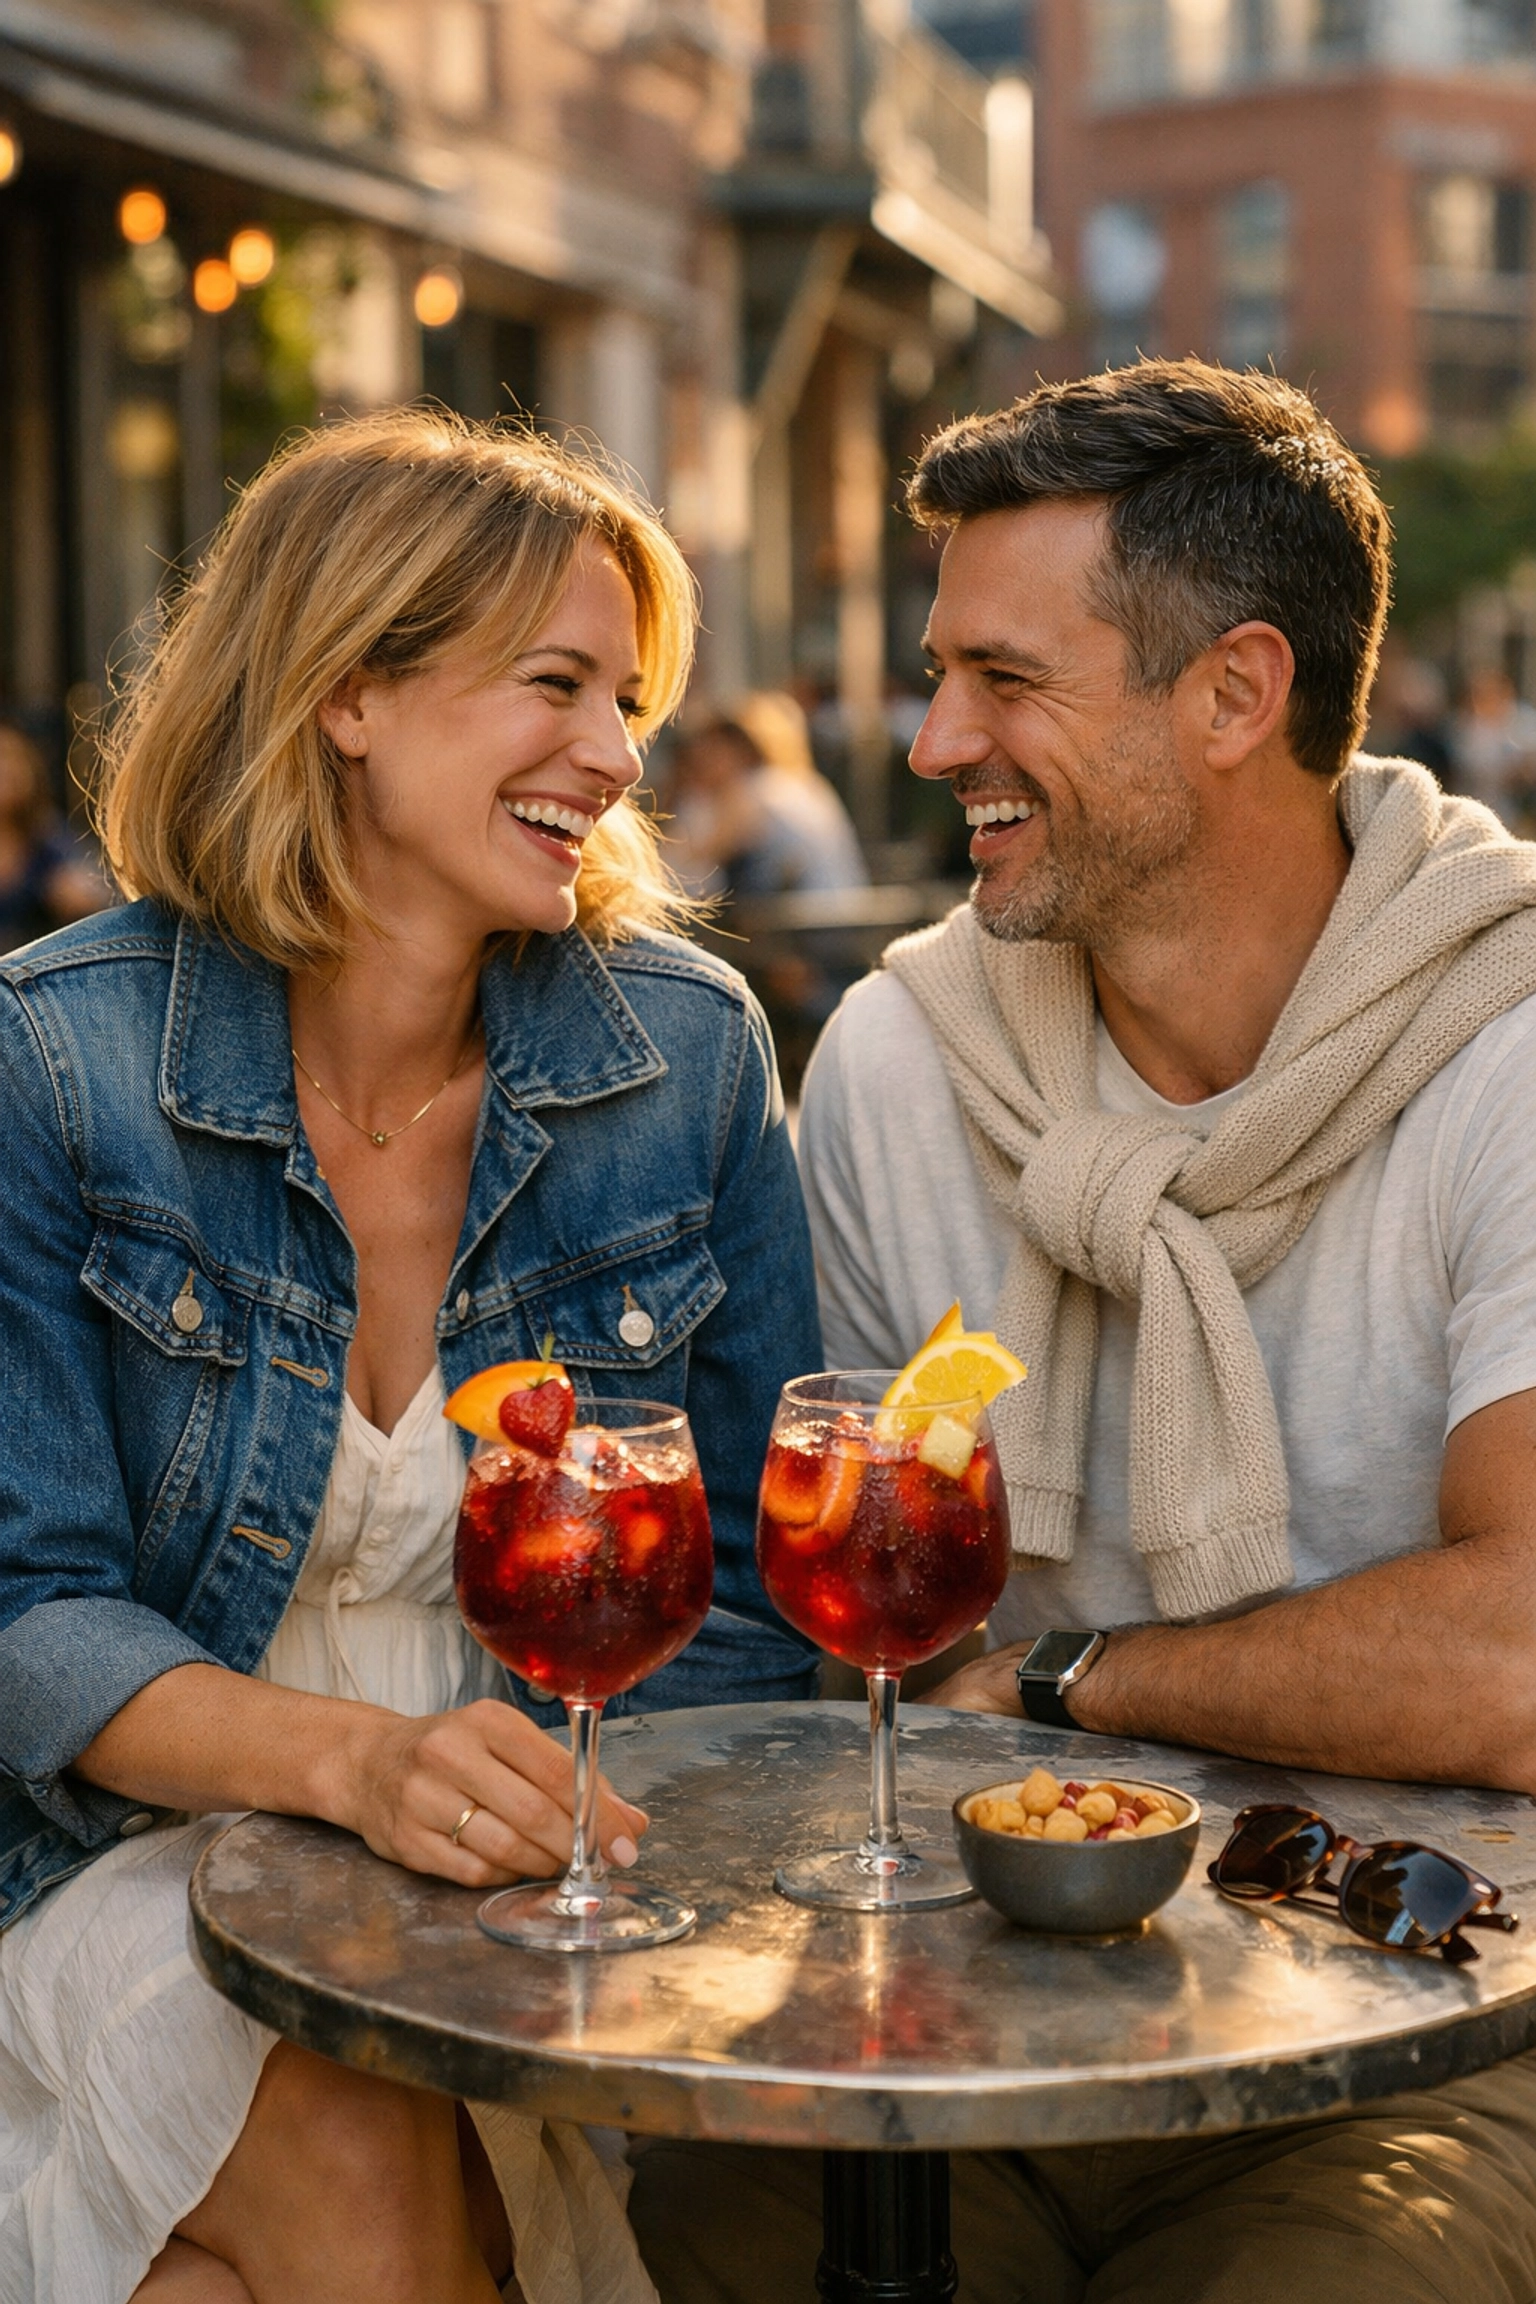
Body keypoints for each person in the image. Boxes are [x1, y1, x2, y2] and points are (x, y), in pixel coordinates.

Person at [630, 361, 1536, 2301]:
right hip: (968, 1997)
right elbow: (859, 1614)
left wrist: (1075, 1679)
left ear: (1234, 694)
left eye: (1006, 679)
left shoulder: (1510, 1044)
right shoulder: (898, 1057)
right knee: (683, 2244)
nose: (933, 738)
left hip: (1427, 2011)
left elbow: (1522, 1649)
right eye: (937, 672)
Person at [0, 409, 820, 2304]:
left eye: (628, 700)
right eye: (556, 684)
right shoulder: (54, 1059)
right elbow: (28, 1611)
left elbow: (755, 1592)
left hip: (528, 1886)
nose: (619, 756)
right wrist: (360, 1770)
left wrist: (562, 1834)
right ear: (348, 691)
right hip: (112, 1854)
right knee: (361, 2130)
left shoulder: (686, 1054)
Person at [0, 718, 112, 951]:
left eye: (13, 757)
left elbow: (91, 892)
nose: (7, 769)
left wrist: (70, 891)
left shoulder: (48, 838)